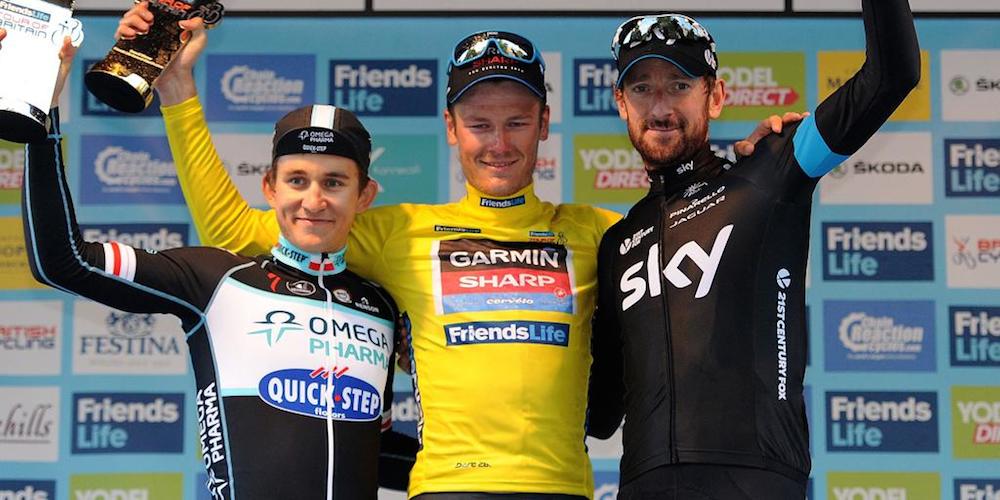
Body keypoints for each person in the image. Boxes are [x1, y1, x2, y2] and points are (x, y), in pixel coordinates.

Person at [115, 7, 796, 497]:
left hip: (562, 488)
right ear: (450, 127)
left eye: (516, 122)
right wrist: (176, 90)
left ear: (544, 125)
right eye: (478, 123)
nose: (498, 143)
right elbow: (236, 230)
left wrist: (747, 165)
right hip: (445, 487)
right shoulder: (401, 230)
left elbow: (700, 232)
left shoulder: (602, 233)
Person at [21, 36, 414, 499]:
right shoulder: (217, 279)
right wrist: (42, 118)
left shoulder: (380, 306)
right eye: (297, 180)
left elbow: (373, 451)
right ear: (270, 188)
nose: (313, 201)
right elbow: (62, 262)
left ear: (364, 196)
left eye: (333, 183)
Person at [587, 1, 920, 498]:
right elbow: (601, 413)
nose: (660, 108)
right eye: (642, 89)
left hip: (754, 478)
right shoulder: (618, 242)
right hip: (643, 485)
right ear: (621, 103)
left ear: (715, 96)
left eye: (679, 86)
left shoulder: (771, 170)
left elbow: (892, 76)